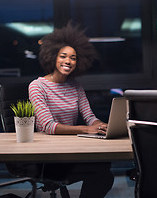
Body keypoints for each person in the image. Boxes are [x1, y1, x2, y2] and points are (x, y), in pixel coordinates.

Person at [28, 21, 114, 198]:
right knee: (102, 172)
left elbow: (89, 116)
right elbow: (49, 126)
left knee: (104, 168)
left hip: (70, 150)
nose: (68, 61)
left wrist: (101, 125)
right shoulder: (37, 86)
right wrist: (86, 129)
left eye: (73, 58)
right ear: (52, 57)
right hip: (48, 156)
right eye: (63, 56)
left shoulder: (75, 85)